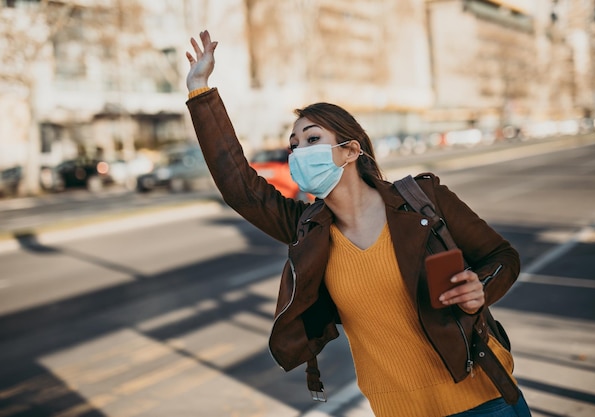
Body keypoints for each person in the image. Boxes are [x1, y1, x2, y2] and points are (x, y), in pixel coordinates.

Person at [185, 30, 532, 417]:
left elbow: (503, 256)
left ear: (350, 150)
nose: (299, 152)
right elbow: (240, 189)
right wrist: (200, 90)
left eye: (312, 138)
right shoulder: (308, 229)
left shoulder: (423, 200)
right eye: (294, 144)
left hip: (483, 400)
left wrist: (480, 287)